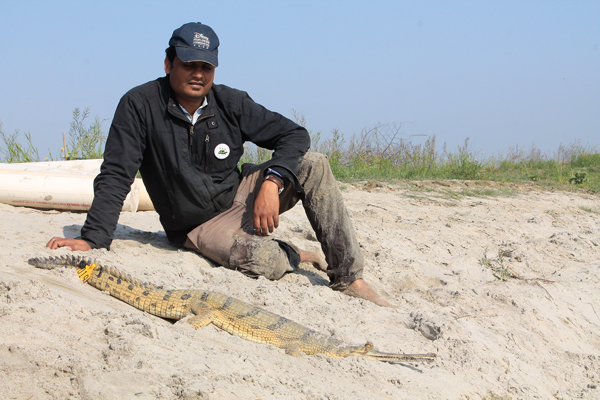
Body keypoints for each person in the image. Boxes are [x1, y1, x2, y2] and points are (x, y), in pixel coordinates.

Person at [46, 22, 394, 307]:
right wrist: (92, 239)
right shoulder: (139, 106)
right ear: (168, 64)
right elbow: (116, 174)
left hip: (241, 195)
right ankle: (297, 254)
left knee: (314, 164)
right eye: (188, 65)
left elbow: (294, 135)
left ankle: (349, 278)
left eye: (205, 67)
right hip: (199, 225)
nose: (197, 74)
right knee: (263, 261)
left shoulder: (229, 101)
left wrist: (272, 181)